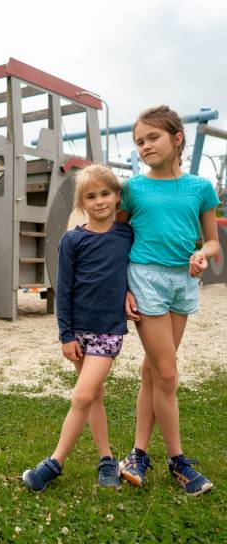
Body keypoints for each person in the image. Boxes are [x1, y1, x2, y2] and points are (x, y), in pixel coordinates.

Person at [117, 105, 220, 496]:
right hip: (146, 280)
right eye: (139, 142)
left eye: (152, 138)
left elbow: (210, 239)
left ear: (177, 138)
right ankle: (178, 462)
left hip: (183, 283)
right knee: (168, 374)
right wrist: (123, 288)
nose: (144, 147)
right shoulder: (133, 189)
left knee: (153, 373)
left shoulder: (200, 188)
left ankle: (138, 455)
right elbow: (117, 240)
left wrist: (202, 254)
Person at [22, 164, 133, 492]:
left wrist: (130, 291)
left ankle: (53, 464)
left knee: (82, 395)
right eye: (91, 196)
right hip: (78, 333)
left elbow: (134, 267)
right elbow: (64, 288)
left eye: (105, 193)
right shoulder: (73, 240)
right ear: (82, 203)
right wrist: (66, 335)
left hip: (109, 331)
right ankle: (107, 460)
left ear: (116, 197)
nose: (99, 201)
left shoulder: (126, 235)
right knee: (93, 397)